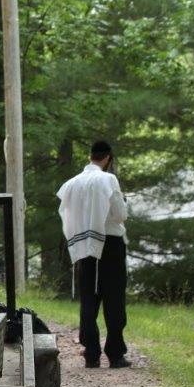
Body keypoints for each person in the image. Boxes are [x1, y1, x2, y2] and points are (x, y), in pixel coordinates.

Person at [57, 140, 130, 368]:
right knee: (114, 298)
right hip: (110, 243)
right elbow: (120, 215)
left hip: (84, 245)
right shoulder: (108, 179)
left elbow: (66, 214)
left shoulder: (72, 184)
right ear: (108, 158)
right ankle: (115, 353)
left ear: (90, 156)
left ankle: (91, 353)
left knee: (88, 298)